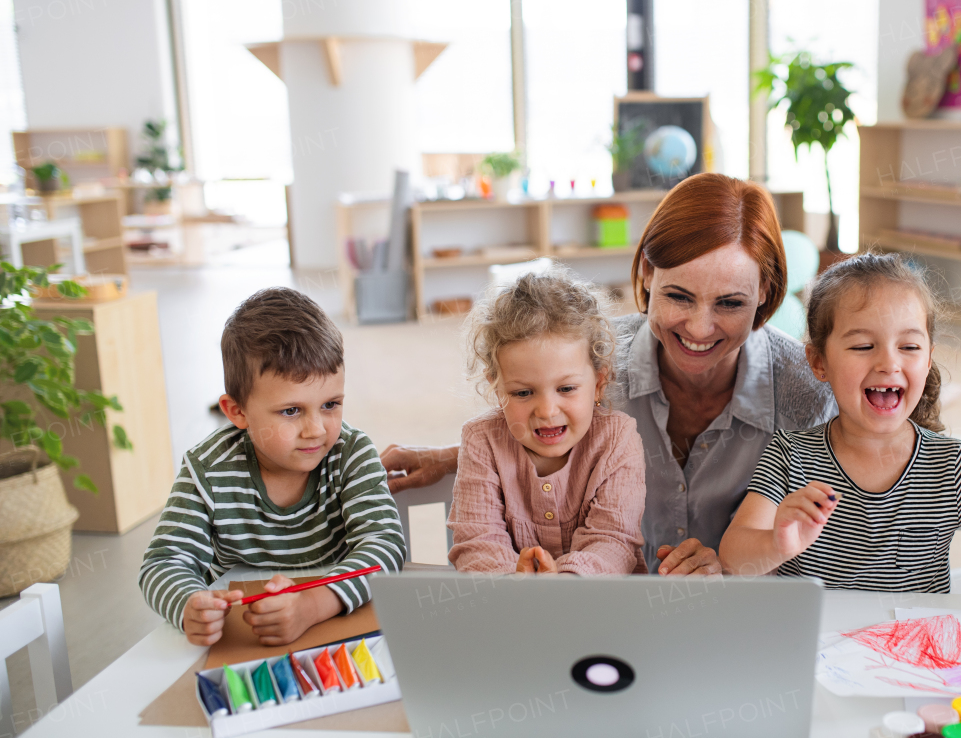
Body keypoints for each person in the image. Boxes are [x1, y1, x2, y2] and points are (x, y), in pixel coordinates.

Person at [381, 173, 836, 574]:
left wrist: (735, 566)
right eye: (678, 296)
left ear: (765, 293)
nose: (699, 328)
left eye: (730, 303)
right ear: (644, 275)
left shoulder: (808, 387)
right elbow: (538, 426)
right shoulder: (586, 356)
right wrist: (451, 458)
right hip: (605, 606)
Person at [720, 253, 961, 686]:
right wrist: (779, 543)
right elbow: (734, 555)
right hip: (813, 661)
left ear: (928, 358)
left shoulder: (953, 465)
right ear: (818, 362)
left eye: (909, 346)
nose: (889, 363)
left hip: (918, 665)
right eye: (862, 345)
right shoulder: (790, 455)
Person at [138, 288, 406, 647]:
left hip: (337, 622)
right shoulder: (207, 470)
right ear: (237, 412)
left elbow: (384, 547)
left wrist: (311, 606)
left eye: (330, 404)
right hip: (243, 633)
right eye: (291, 411)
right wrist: (189, 605)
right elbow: (163, 562)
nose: (316, 429)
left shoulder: (351, 453)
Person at [448, 267, 646, 574]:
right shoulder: (481, 440)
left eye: (566, 389)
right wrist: (515, 579)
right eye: (523, 392)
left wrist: (563, 583)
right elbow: (476, 542)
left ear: (599, 383)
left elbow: (614, 540)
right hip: (512, 609)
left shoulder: (617, 438)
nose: (546, 410)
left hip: (603, 611)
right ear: (498, 389)